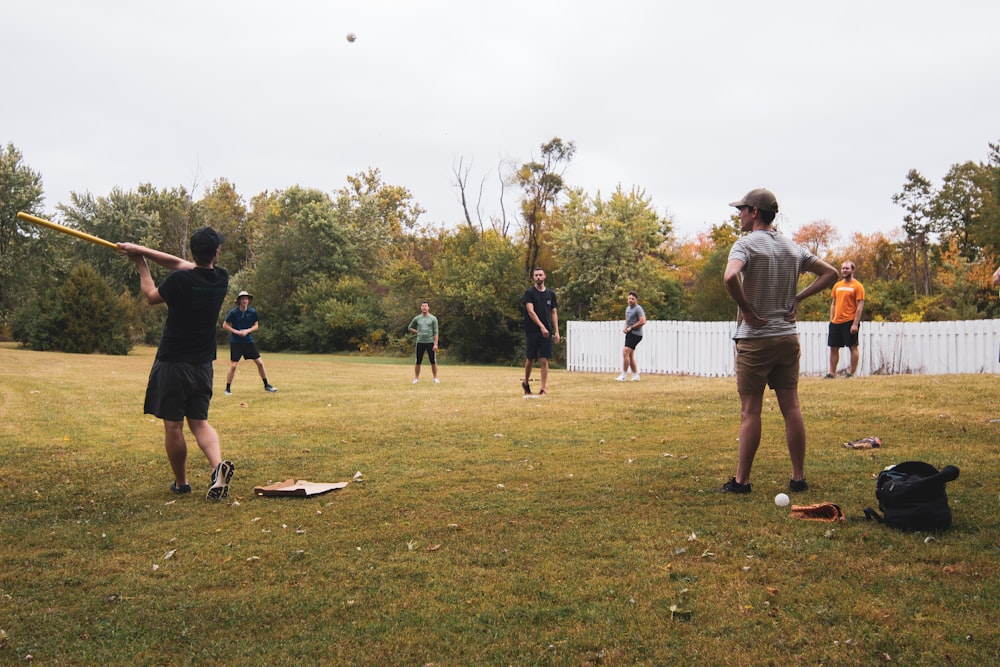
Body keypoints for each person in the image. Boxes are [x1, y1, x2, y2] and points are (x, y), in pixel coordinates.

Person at [721, 188, 837, 495]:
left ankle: (741, 482)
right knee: (791, 407)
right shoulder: (792, 247)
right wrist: (797, 298)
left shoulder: (745, 244)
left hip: (755, 340)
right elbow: (831, 273)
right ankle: (798, 477)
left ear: (755, 212)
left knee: (750, 411)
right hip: (787, 338)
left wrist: (746, 309)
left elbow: (731, 277)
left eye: (741, 209)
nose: (739, 214)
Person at [118, 228, 235, 501]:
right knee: (200, 423)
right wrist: (141, 249)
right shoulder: (221, 277)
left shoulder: (179, 281)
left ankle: (181, 483)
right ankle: (218, 467)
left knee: (173, 426)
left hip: (173, 362)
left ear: (193, 251)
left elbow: (150, 295)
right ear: (215, 253)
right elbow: (180, 264)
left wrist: (141, 263)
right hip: (203, 364)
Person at [222, 290, 277, 394]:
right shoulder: (233, 312)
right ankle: (227, 388)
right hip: (236, 342)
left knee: (260, 363)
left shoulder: (252, 312)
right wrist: (237, 332)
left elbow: (256, 325)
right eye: (242, 299)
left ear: (248, 301)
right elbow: (225, 325)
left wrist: (247, 331)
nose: (244, 301)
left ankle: (267, 385)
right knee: (233, 366)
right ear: (239, 301)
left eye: (246, 299)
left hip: (248, 341)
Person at [521, 268, 560, 396]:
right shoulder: (529, 293)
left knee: (544, 360)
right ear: (533, 277)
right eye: (536, 275)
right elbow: (531, 311)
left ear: (545, 276)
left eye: (540, 275)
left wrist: (556, 331)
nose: (538, 277)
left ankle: (543, 388)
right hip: (532, 331)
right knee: (530, 359)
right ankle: (526, 382)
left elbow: (553, 312)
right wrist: (541, 326)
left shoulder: (551, 294)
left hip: (547, 332)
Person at [826, 261, 865, 378]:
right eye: (843, 268)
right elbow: (833, 304)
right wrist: (831, 320)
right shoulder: (837, 286)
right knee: (833, 348)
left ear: (852, 270)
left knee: (852, 347)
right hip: (836, 322)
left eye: (847, 268)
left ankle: (851, 373)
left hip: (850, 321)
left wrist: (855, 324)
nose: (844, 270)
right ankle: (832, 373)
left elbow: (860, 306)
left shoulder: (858, 286)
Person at [616, 291, 646, 381]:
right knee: (630, 355)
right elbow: (627, 320)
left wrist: (632, 327)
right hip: (629, 333)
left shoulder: (638, 309)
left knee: (625, 352)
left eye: (633, 299)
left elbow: (643, 321)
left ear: (636, 300)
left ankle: (623, 375)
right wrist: (625, 327)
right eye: (629, 298)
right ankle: (636, 376)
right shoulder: (628, 309)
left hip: (636, 334)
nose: (630, 300)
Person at [408, 301, 439, 383]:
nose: (424, 307)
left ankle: (435, 378)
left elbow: (436, 332)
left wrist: (435, 344)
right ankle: (416, 378)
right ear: (421, 308)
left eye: (425, 306)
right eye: (423, 306)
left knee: (433, 361)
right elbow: (409, 327)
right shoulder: (417, 318)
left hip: (430, 342)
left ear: (428, 308)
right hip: (420, 342)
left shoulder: (433, 318)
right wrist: (417, 332)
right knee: (418, 361)